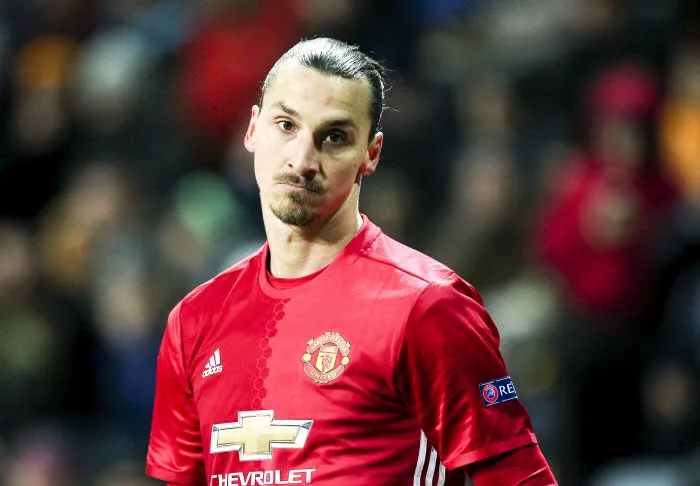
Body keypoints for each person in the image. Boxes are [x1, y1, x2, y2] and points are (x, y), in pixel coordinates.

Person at [146, 37, 557, 486]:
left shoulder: (426, 306)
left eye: (334, 137)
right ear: (252, 130)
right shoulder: (194, 322)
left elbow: (520, 478)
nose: (303, 159)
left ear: (370, 154)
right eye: (286, 125)